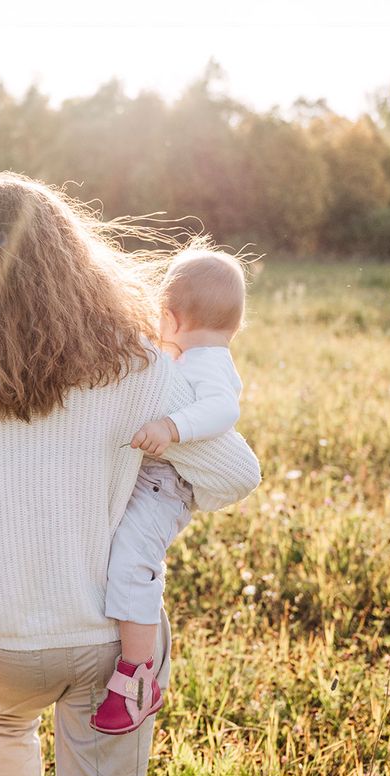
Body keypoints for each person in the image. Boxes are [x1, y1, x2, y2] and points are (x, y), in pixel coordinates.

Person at [0, 173, 262, 776]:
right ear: (68, 256)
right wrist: (151, 505)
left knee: (2, 726)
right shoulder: (135, 360)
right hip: (107, 636)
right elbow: (236, 474)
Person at [92, 250, 248, 736]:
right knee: (118, 553)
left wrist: (172, 426)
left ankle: (138, 677)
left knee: (132, 561)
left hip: (167, 486)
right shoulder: (189, 356)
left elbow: (223, 410)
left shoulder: (211, 364)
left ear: (172, 318)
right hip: (154, 477)